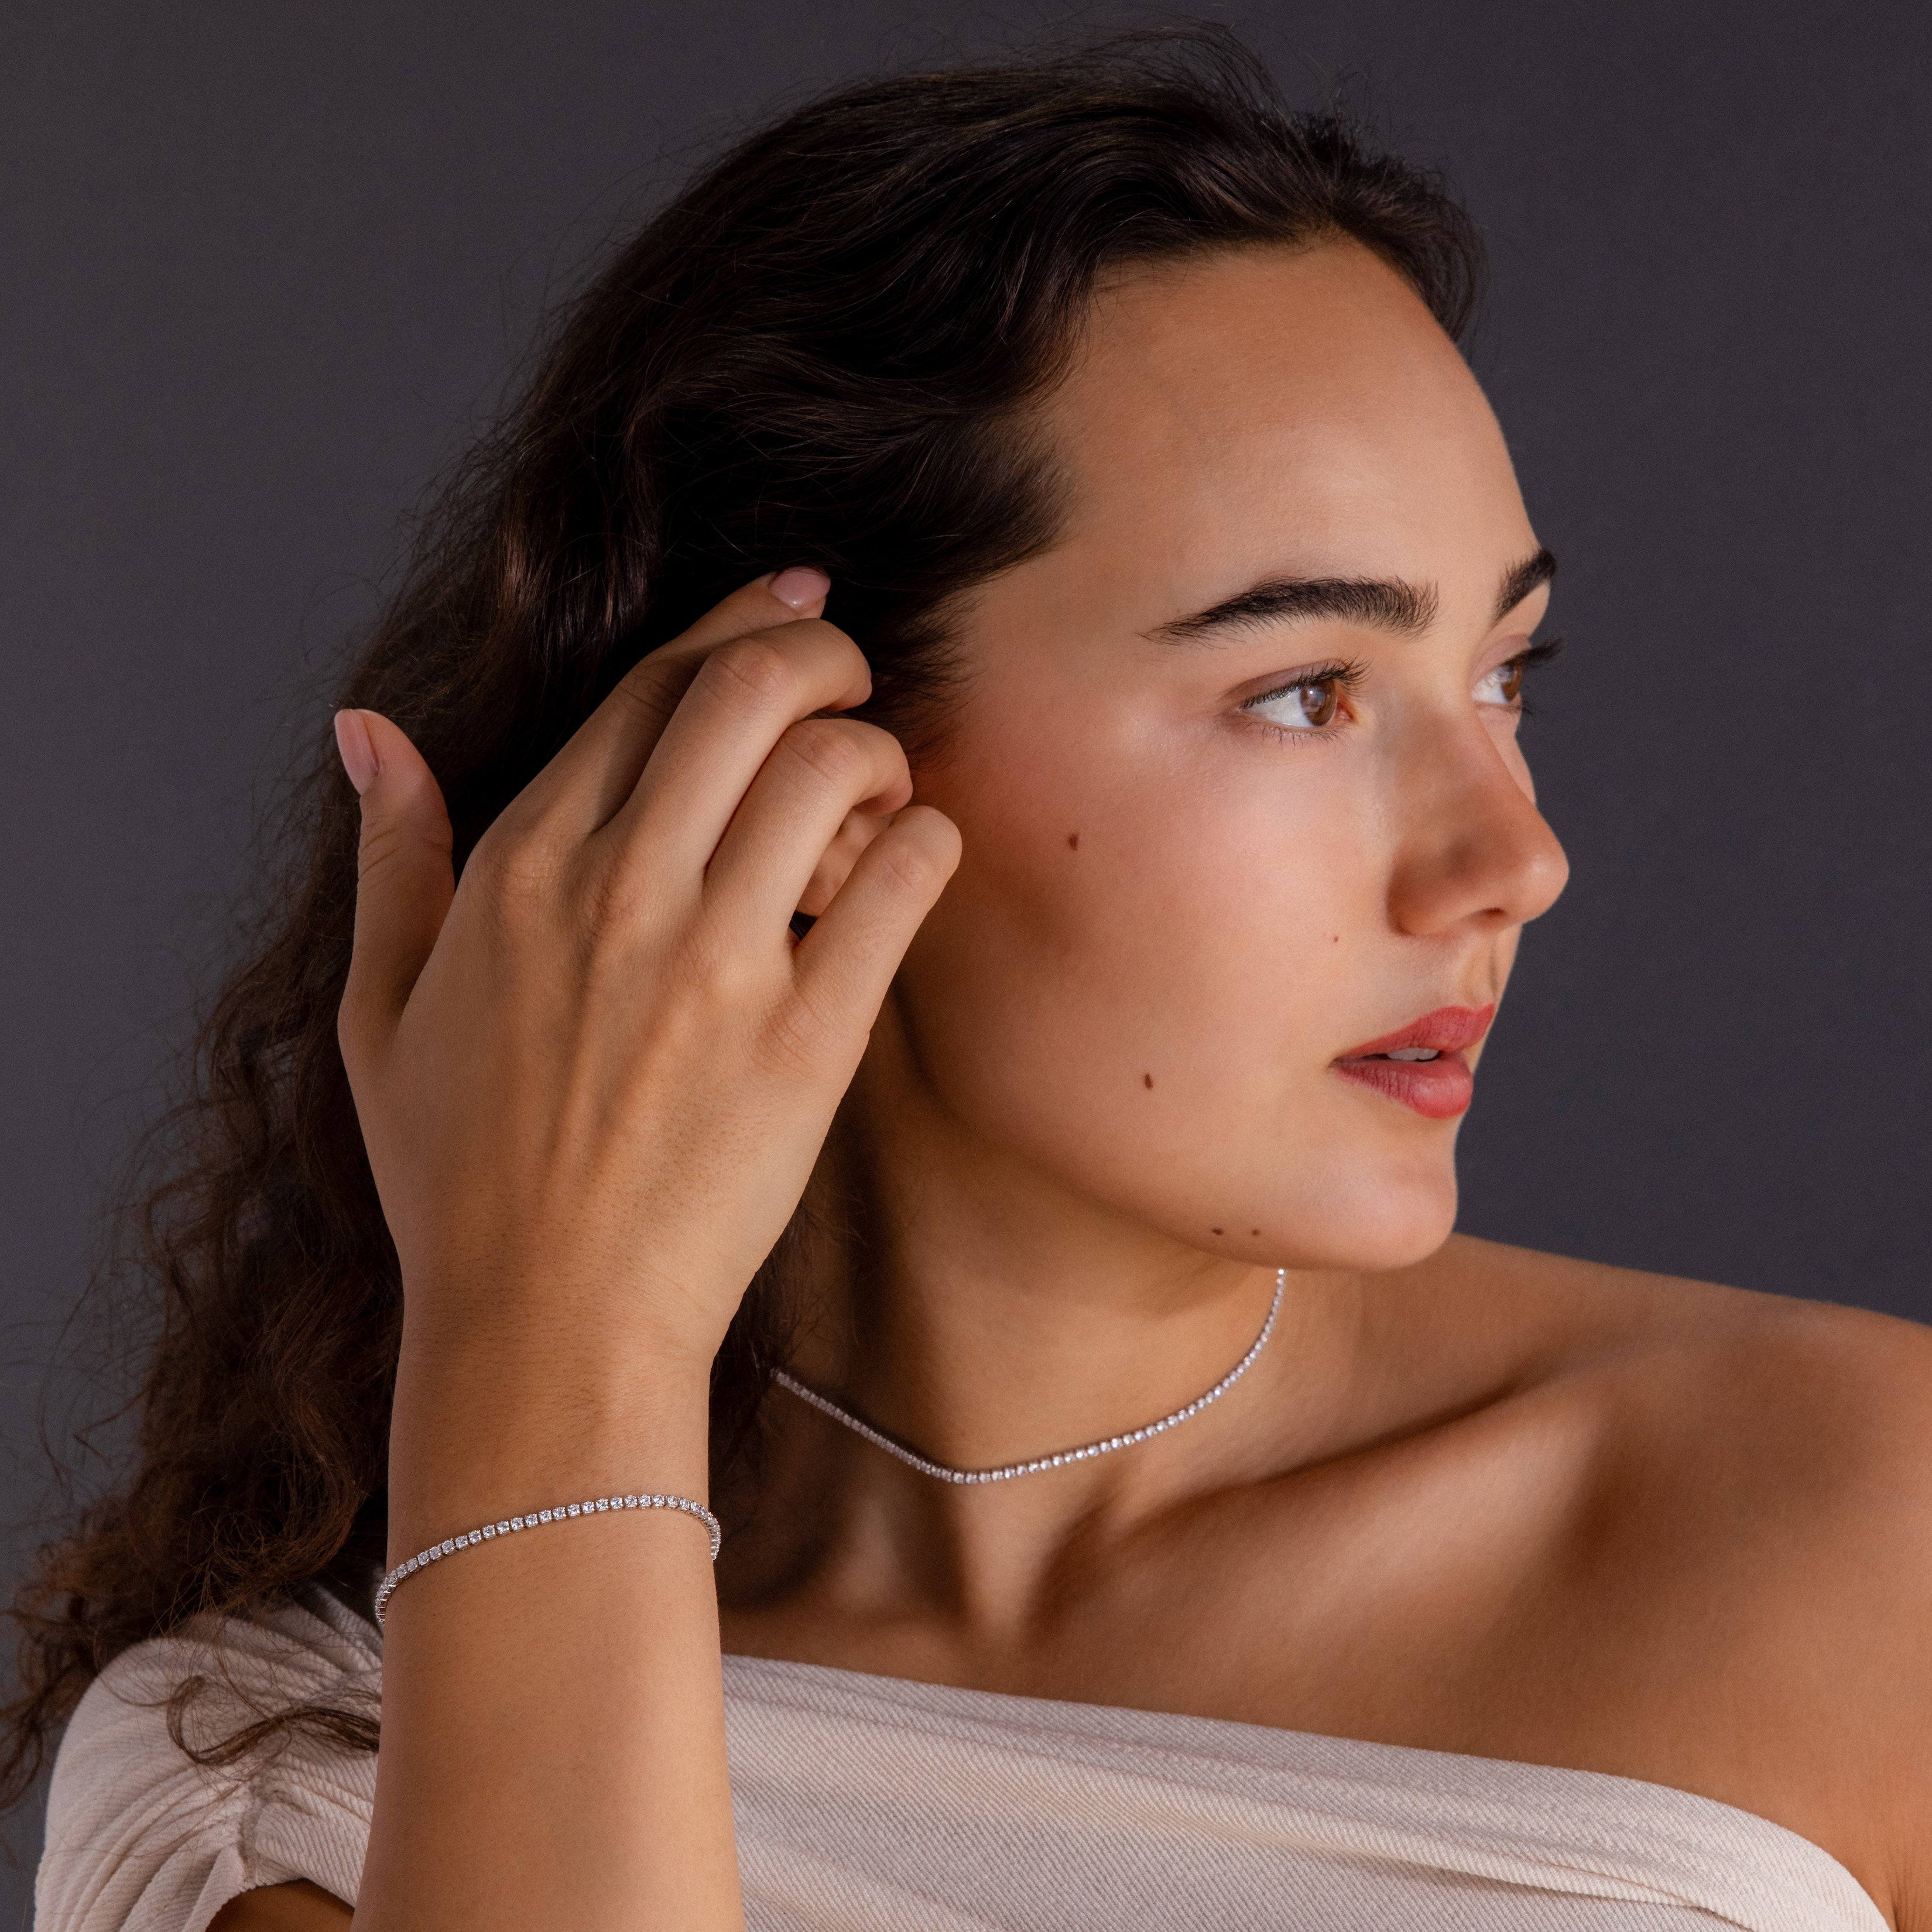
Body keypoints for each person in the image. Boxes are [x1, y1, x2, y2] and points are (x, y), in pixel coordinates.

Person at [11, 30, 1930, 1932]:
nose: (1512, 857)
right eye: (1300, 691)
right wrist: (545, 1352)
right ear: (785, 767)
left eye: (1502, 673)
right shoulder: (287, 1770)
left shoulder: (1868, 1529)